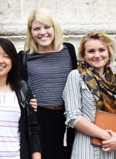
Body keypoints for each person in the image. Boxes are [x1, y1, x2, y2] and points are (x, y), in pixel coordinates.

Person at [62, 31, 116, 159]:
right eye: (91, 51)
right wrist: (107, 137)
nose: (97, 55)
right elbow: (73, 117)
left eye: (102, 50)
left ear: (109, 52)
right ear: (84, 54)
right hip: (87, 147)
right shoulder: (76, 76)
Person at [20, 8, 77, 157]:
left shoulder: (69, 50)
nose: (42, 32)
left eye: (47, 27)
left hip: (66, 119)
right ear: (30, 32)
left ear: (54, 28)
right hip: (38, 119)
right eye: (36, 28)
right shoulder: (25, 56)